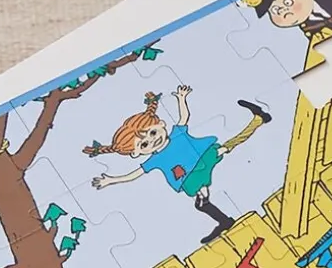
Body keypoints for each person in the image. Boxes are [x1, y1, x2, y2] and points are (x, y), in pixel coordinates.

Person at [86, 86, 270, 243]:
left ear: (161, 124)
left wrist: (181, 98)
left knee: (229, 146)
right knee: (202, 200)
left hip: (203, 158)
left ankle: (258, 119)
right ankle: (224, 221)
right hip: (191, 177)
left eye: (152, 133)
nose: (153, 140)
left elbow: (184, 116)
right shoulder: (154, 159)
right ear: (136, 153)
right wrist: (110, 180)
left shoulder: (176, 134)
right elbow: (134, 175)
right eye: (144, 144)